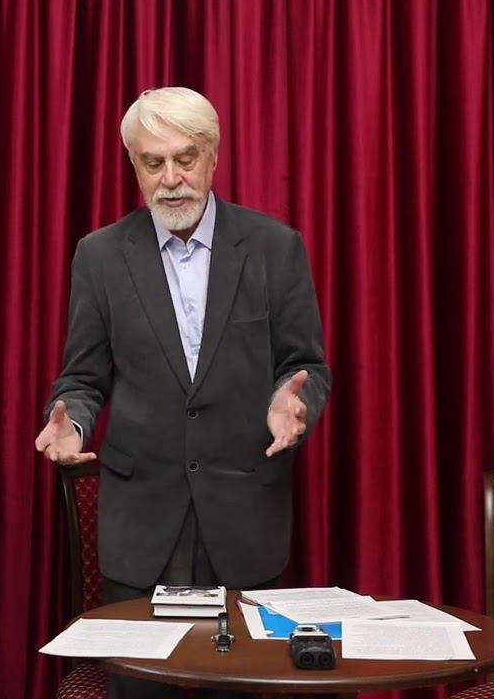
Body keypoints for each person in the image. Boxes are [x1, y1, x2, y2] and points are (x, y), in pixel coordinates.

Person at [35, 88, 330, 698]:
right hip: (143, 531)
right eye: (153, 162)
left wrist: (293, 403)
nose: (171, 179)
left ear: (212, 156)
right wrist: (74, 422)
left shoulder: (275, 248)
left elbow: (306, 366)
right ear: (135, 167)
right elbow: (82, 379)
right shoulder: (100, 256)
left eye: (184, 159)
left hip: (245, 524)